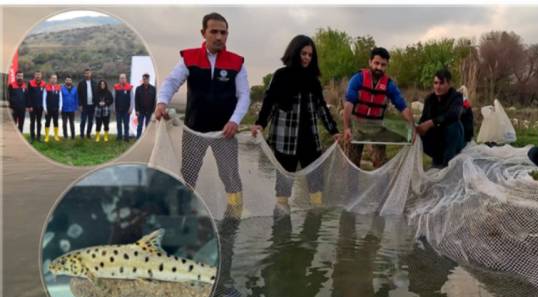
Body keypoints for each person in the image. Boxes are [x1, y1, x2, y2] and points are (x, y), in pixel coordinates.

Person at [155, 12, 251, 213]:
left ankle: (236, 213)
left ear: (227, 34)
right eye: (214, 31)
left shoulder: (237, 63)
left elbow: (244, 96)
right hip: (194, 130)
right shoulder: (189, 58)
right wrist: (162, 102)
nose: (218, 37)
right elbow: (171, 82)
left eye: (223, 33)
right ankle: (183, 213)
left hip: (225, 132)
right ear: (203, 32)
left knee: (230, 175)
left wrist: (234, 121)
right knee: (189, 175)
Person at [251, 34, 340, 208]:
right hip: (285, 140)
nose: (306, 57)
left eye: (310, 54)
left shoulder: (313, 80)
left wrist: (333, 131)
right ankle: (282, 229)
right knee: (283, 185)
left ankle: (313, 225)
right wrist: (260, 124)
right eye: (303, 53)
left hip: (310, 140)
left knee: (316, 182)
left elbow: (322, 108)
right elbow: (269, 102)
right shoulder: (280, 75)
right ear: (294, 52)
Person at [342, 47, 415, 168]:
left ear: (386, 66)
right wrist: (346, 128)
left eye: (383, 65)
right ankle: (352, 187)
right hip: (356, 126)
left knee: (381, 163)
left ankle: (382, 186)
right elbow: (348, 104)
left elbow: (403, 107)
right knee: (351, 165)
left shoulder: (389, 85)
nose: (379, 68)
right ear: (370, 62)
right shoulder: (358, 79)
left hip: (376, 128)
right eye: (376, 63)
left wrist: (412, 128)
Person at [416, 69, 466, 168]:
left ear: (449, 83)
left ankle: (447, 164)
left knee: (453, 125)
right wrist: (418, 127)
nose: (437, 87)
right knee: (419, 131)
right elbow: (424, 119)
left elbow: (454, 115)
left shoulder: (456, 97)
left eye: (441, 83)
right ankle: (437, 159)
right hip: (437, 138)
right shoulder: (430, 99)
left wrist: (432, 122)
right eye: (435, 83)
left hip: (454, 139)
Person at [135, 73, 156, 139]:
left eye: (146, 79)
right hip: (141, 111)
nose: (145, 80)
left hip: (149, 111)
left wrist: (154, 110)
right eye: (144, 79)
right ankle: (138, 138)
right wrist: (137, 110)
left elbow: (154, 100)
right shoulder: (138, 88)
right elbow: (136, 100)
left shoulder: (153, 89)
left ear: (149, 79)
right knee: (140, 126)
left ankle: (147, 138)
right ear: (142, 79)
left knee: (148, 126)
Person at [77, 68, 97, 139]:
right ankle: (82, 134)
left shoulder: (95, 83)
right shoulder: (81, 83)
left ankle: (88, 134)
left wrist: (96, 104)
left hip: (92, 105)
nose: (87, 74)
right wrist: (80, 105)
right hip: (84, 106)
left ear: (91, 74)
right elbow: (78, 95)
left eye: (88, 73)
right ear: (84, 74)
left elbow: (97, 94)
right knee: (83, 120)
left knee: (91, 121)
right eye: (86, 73)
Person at [42, 74, 62, 143]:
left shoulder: (59, 87)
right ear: (50, 79)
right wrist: (45, 108)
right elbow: (44, 99)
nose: (54, 80)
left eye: (55, 78)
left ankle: (56, 136)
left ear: (56, 80)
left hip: (56, 108)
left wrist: (60, 108)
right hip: (48, 109)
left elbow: (60, 99)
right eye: (52, 78)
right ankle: (47, 136)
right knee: (47, 122)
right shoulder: (46, 87)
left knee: (55, 122)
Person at [114, 73, 133, 141]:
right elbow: (114, 99)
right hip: (118, 109)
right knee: (119, 124)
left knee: (126, 124)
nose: (122, 79)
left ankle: (126, 137)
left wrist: (131, 108)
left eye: (123, 78)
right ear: (119, 79)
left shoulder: (129, 87)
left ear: (126, 79)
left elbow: (132, 99)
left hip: (126, 110)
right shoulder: (116, 87)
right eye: (121, 78)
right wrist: (114, 108)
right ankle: (119, 136)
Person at [27, 71, 45, 143]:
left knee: (39, 122)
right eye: (36, 75)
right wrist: (29, 106)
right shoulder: (30, 83)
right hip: (32, 107)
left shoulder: (44, 84)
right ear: (34, 75)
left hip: (40, 107)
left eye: (39, 75)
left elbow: (45, 96)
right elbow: (28, 95)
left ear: (41, 76)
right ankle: (32, 137)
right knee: (32, 122)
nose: (38, 76)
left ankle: (38, 137)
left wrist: (44, 106)